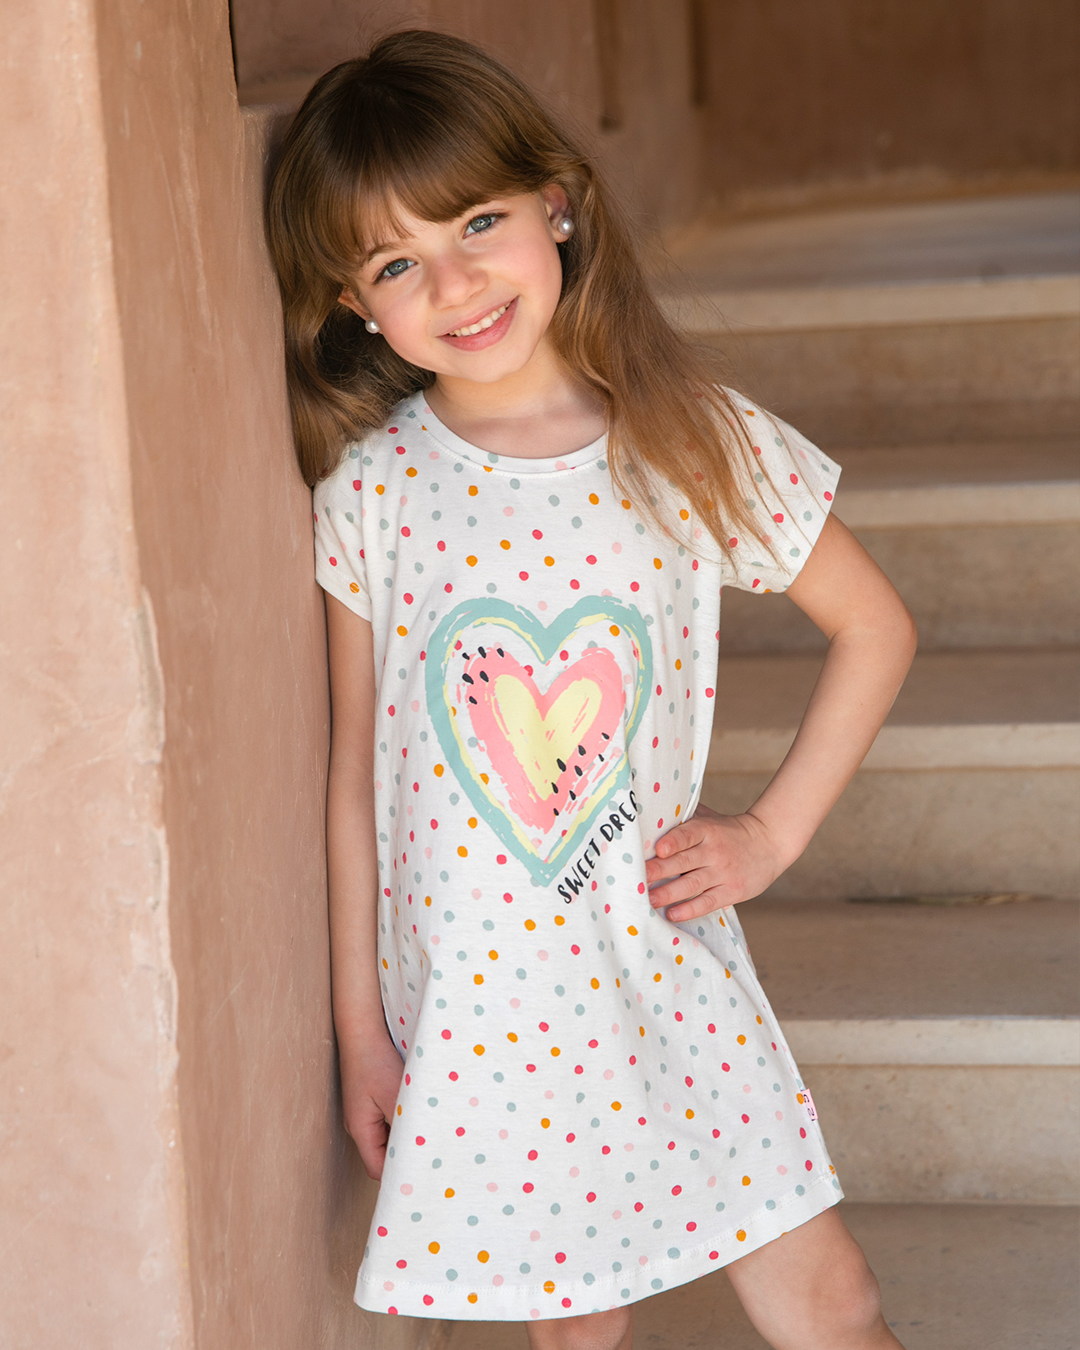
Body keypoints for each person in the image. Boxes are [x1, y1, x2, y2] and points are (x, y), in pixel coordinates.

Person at [267, 28, 915, 1350]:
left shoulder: (685, 434)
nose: (455, 283)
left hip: (656, 963)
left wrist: (769, 833)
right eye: (397, 263)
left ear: (556, 206)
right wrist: (361, 1030)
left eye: (478, 223)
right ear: (354, 305)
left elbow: (875, 626)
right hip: (482, 1009)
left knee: (831, 1298)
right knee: (576, 1329)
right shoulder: (373, 491)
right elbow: (353, 778)